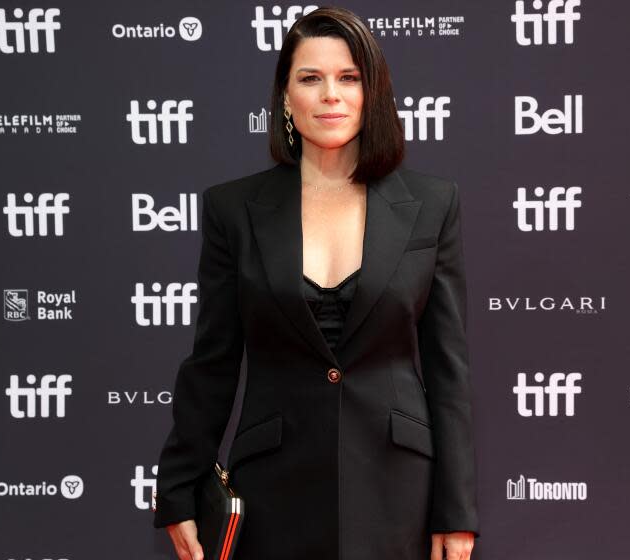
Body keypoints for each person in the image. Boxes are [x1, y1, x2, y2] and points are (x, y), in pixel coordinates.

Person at [153, 6, 479, 560]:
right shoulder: (234, 210)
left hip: (397, 487)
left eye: (348, 77)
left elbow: (447, 370)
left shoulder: (430, 205)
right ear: (285, 96)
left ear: (371, 92)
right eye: (310, 78)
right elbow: (213, 360)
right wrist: (178, 486)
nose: (331, 94)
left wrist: (457, 511)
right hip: (273, 485)